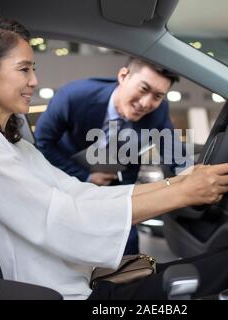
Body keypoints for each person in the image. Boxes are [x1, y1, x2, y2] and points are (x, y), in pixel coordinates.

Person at [0, 16, 228, 300]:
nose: (34, 81)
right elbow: (59, 217)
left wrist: (183, 181)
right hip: (67, 293)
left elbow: (78, 195)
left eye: (33, 69)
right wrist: (181, 193)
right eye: (24, 69)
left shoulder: (12, 144)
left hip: (83, 274)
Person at [34, 57, 186, 255]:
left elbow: (173, 153)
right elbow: (42, 143)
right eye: (143, 89)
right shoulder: (74, 96)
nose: (146, 103)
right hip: (68, 180)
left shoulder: (159, 111)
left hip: (120, 184)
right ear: (123, 76)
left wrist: (191, 177)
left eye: (157, 96)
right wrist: (86, 177)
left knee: (128, 247)